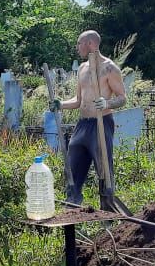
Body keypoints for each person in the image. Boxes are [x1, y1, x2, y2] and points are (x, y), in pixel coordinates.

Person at [52, 30, 127, 205]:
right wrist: (60, 104)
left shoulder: (110, 68)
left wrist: (107, 104)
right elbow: (78, 101)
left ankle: (107, 210)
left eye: (79, 43)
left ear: (90, 43)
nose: (77, 47)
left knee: (104, 169)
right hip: (83, 124)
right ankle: (72, 202)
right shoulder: (83, 68)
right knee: (73, 164)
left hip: (101, 123)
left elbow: (122, 97)